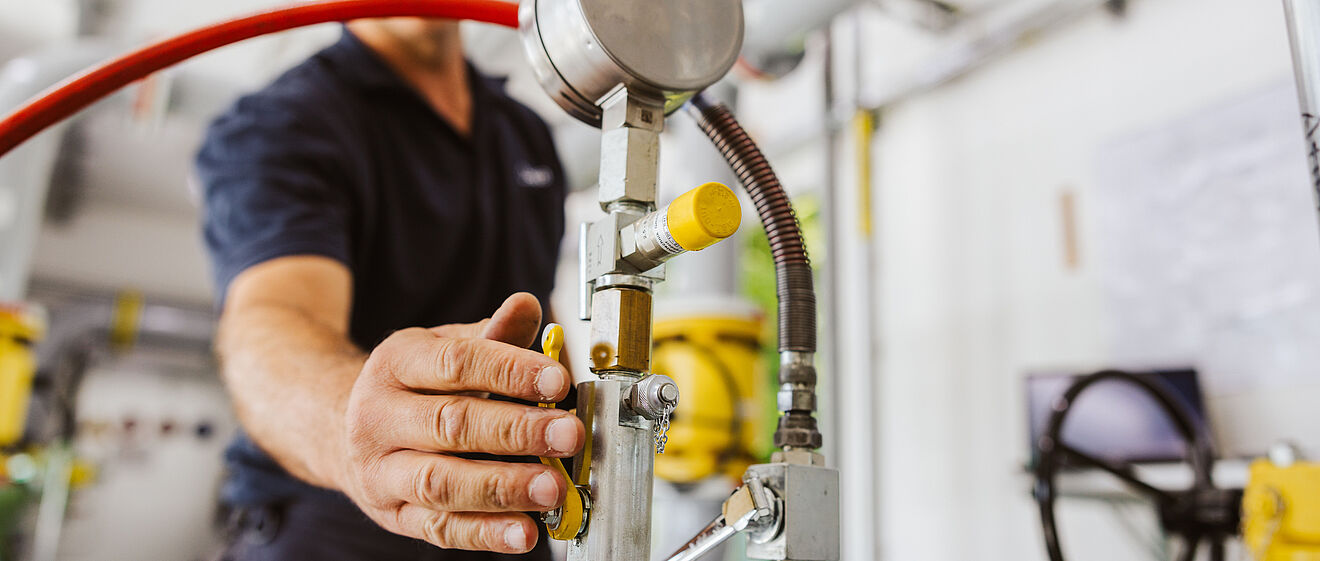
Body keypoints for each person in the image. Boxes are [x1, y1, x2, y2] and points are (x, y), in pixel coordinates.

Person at [195, 16, 583, 561]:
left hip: (507, 523)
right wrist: (352, 432)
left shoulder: (524, 131)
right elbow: (272, 323)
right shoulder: (282, 122)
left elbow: (537, 318)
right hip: (333, 528)